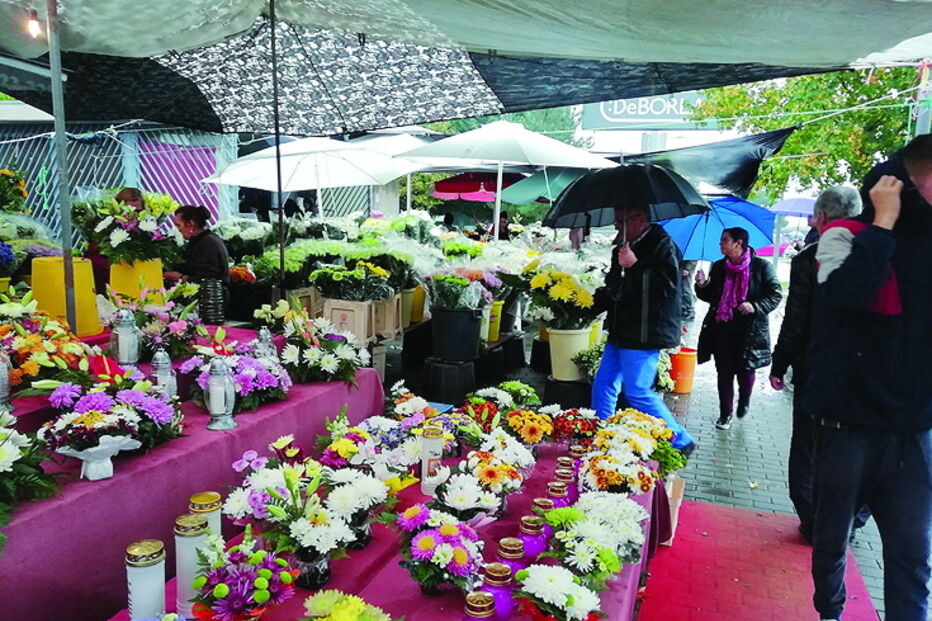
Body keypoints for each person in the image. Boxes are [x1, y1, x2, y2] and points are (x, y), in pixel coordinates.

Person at [805, 134, 932, 621]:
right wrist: (883, 224)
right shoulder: (844, 234)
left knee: (912, 558)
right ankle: (830, 613)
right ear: (900, 183)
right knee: (831, 540)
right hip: (846, 425)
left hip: (911, 431)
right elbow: (844, 296)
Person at [769, 186, 863, 544]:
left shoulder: (810, 259)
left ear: (821, 218)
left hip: (817, 369)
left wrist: (779, 365)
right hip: (865, 374)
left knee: (807, 448)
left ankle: (814, 521)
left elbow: (796, 319)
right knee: (854, 448)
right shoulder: (880, 252)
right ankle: (846, 520)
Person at [592, 205, 696, 454]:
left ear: (639, 219)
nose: (617, 226)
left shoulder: (662, 244)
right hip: (621, 329)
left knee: (637, 390)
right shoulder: (622, 244)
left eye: (621, 221)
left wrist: (635, 265)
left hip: (645, 332)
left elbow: (668, 287)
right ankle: (600, 431)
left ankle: (680, 439)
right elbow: (616, 286)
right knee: (604, 382)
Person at [695, 227, 782, 430]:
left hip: (749, 330)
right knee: (723, 372)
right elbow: (710, 297)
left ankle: (744, 400)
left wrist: (755, 306)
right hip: (722, 328)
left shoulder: (761, 267)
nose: (720, 243)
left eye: (725, 240)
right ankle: (725, 413)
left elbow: (775, 295)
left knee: (745, 371)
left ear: (738, 243)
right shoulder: (718, 267)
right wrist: (701, 285)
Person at [86, 187, 145, 294]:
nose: (135, 216)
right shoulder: (106, 228)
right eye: (131, 211)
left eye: (139, 211)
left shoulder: (145, 228)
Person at [164, 205, 229, 285]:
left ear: (190, 224)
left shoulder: (209, 243)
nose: (178, 230)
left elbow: (209, 277)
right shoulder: (197, 240)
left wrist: (180, 277)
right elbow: (188, 266)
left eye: (178, 225)